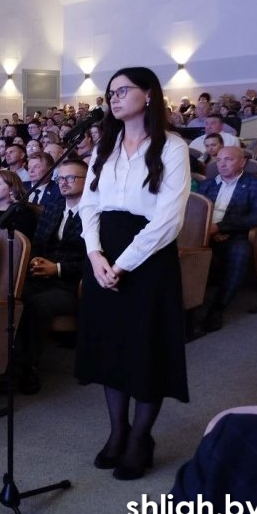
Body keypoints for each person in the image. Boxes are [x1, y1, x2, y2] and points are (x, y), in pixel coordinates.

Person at [77, 66, 190, 481]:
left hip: (147, 258)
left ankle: (141, 436)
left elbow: (168, 220)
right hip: (103, 253)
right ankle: (117, 431)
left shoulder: (172, 147)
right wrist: (94, 255)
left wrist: (122, 263)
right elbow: (89, 206)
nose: (114, 98)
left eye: (123, 90)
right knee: (111, 348)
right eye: (110, 93)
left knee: (144, 349)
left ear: (148, 94)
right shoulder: (103, 146)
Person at [16, 160, 88, 394]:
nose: (63, 183)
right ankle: (3, 360)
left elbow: (94, 259)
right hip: (41, 275)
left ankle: (28, 367)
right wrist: (36, 260)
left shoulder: (96, 214)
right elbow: (36, 243)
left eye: (70, 178)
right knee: (13, 293)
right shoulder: (55, 207)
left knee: (38, 305)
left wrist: (57, 268)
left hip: (71, 283)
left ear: (87, 181)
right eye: (60, 179)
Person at [193, 146, 257, 334]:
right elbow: (196, 211)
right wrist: (209, 230)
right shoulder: (208, 184)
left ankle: (218, 308)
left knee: (240, 251)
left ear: (242, 162)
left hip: (236, 234)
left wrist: (221, 227)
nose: (222, 164)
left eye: (228, 159)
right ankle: (185, 303)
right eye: (219, 160)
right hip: (204, 232)